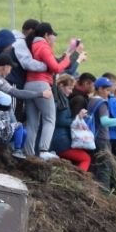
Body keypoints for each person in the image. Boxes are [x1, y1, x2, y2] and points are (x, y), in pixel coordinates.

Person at [24, 22, 73, 159]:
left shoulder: (32, 45)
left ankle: (29, 153)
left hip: (29, 85)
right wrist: (67, 61)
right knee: (49, 118)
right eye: (53, 35)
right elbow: (56, 68)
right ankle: (44, 150)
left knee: (32, 122)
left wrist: (61, 59)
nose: (54, 39)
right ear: (46, 35)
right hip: (42, 84)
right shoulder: (43, 46)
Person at [50, 73, 92, 171]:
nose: (71, 91)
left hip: (56, 139)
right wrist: (78, 118)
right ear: (61, 86)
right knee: (86, 158)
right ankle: (80, 181)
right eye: (69, 88)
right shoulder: (62, 100)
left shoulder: (60, 98)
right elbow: (60, 121)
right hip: (60, 140)